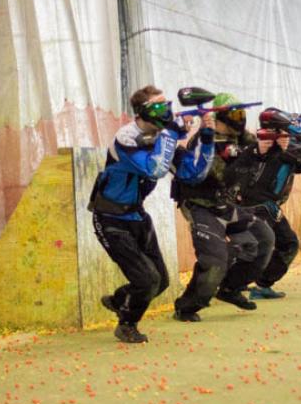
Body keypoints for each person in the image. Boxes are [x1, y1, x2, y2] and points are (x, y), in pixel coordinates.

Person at [89, 85, 214, 342]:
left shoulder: (161, 136)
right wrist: (171, 132)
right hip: (110, 219)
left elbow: (193, 174)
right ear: (141, 111)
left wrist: (206, 136)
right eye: (158, 106)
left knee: (161, 281)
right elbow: (154, 168)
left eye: (166, 104)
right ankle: (126, 325)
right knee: (147, 280)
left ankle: (120, 300)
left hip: (137, 217)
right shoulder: (126, 137)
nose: (166, 110)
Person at [170, 93, 275, 320]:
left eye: (242, 114)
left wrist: (279, 144)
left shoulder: (240, 138)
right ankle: (187, 307)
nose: (240, 120)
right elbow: (220, 175)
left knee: (263, 239)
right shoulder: (203, 141)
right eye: (235, 115)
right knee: (215, 260)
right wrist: (251, 154)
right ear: (220, 119)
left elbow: (264, 150)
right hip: (200, 205)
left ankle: (230, 288)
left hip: (225, 205)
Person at [233, 109, 301, 299]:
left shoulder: (270, 144)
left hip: (258, 204)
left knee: (262, 245)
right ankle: (240, 283)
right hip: (261, 205)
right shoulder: (280, 146)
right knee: (279, 245)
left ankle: (245, 283)